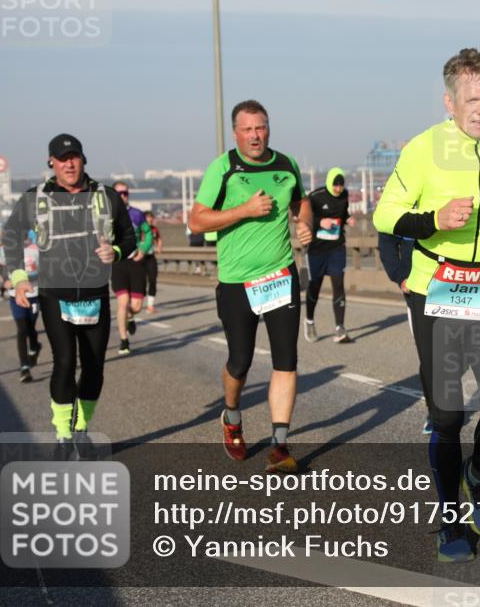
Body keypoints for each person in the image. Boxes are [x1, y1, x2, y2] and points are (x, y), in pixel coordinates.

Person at [373, 48, 480, 562]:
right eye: (473, 99)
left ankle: (479, 472)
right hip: (437, 289)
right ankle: (449, 519)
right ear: (450, 101)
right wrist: (434, 219)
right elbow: (386, 215)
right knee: (446, 415)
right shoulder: (424, 149)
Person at [188, 99, 313, 474]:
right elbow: (196, 221)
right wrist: (243, 210)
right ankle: (231, 416)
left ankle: (279, 444)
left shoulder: (286, 164)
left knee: (286, 360)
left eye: (261, 127)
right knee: (239, 362)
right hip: (237, 282)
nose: (256, 135)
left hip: (279, 276)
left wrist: (303, 222)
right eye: (248, 129)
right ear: (236, 132)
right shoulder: (223, 167)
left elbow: (300, 202)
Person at [3, 133, 136, 453]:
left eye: (74, 157)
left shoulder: (106, 196)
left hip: (94, 293)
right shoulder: (36, 198)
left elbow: (129, 238)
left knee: (94, 366)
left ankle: (81, 429)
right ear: (51, 163)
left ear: (83, 159)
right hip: (54, 293)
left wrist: (115, 252)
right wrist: (20, 279)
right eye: (62, 159)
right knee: (64, 362)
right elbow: (11, 235)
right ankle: (62, 433)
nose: (69, 164)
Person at [377, 231, 432, 433]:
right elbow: (386, 243)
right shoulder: (403, 200)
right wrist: (401, 277)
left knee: (460, 356)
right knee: (429, 356)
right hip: (417, 290)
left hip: (459, 285)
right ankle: (435, 411)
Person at [304, 167, 355, 344]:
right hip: (317, 250)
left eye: (341, 185)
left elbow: (344, 212)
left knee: (339, 285)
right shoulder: (316, 197)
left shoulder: (344, 196)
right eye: (335, 185)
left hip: (336, 248)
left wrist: (348, 219)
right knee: (315, 287)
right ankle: (309, 321)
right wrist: (320, 222)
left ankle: (340, 328)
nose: (338, 188)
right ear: (329, 182)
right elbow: (304, 218)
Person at [110, 181, 152, 355]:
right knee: (123, 302)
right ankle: (124, 340)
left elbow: (148, 232)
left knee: (135, 307)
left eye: (125, 193)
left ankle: (131, 316)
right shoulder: (106, 217)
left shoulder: (137, 214)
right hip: (118, 262)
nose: (123, 196)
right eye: (119, 194)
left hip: (135, 262)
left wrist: (143, 249)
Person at [8, 232, 42, 383]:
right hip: (15, 296)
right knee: (22, 329)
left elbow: (46, 271)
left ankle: (35, 346)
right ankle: (24, 367)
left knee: (30, 327)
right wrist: (5, 281)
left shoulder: (35, 249)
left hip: (34, 294)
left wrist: (28, 278)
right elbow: (3, 269)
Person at [143, 210, 163, 313]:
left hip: (150, 257)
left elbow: (159, 238)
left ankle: (150, 305)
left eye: (151, 218)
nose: (150, 220)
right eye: (148, 218)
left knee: (153, 279)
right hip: (139, 258)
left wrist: (159, 246)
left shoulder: (154, 229)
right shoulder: (140, 229)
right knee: (141, 281)